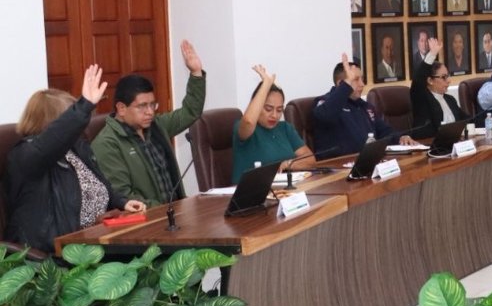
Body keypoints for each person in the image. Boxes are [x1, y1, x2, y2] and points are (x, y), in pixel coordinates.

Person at [3, 65, 146, 252]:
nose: (80, 125)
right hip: (56, 254)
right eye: (70, 116)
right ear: (55, 122)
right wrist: (84, 106)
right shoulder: (26, 155)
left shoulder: (76, 148)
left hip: (95, 241)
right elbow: (50, 143)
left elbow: (98, 183)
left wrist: (121, 202)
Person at [92, 41, 207, 206]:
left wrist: (196, 73)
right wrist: (165, 211)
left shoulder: (157, 125)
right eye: (142, 106)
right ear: (121, 108)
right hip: (151, 217)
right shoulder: (107, 144)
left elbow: (190, 112)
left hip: (175, 211)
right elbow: (123, 195)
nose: (150, 112)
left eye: (153, 104)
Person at [232, 65, 314, 183]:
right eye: (268, 109)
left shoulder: (285, 128)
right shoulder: (243, 128)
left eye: (279, 110)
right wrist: (266, 84)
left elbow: (310, 159)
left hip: (283, 189)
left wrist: (289, 164)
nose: (274, 115)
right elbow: (249, 121)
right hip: (251, 191)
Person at [312, 55, 406, 157]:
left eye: (362, 79)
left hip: (366, 160)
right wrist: (347, 85)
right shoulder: (324, 102)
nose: (362, 84)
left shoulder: (364, 106)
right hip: (337, 164)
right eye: (356, 79)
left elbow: (384, 131)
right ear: (341, 83)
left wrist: (400, 138)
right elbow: (326, 115)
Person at [410, 38, 469, 137]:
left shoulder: (450, 100)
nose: (449, 80)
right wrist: (432, 54)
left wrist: (489, 121)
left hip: (453, 143)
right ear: (430, 80)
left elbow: (469, 119)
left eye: (448, 76)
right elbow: (418, 81)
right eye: (444, 77)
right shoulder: (422, 99)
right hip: (430, 144)